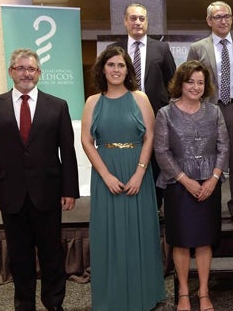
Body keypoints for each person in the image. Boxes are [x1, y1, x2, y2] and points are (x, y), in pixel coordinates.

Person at [0, 48, 79, 311]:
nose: (26, 73)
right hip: (9, 194)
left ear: (39, 73)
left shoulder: (57, 105)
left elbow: (67, 152)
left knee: (52, 254)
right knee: (19, 255)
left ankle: (54, 302)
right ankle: (24, 304)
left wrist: (70, 189)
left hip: (47, 192)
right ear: (11, 71)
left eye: (32, 69)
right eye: (21, 68)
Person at [81, 46, 165, 310]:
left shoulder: (140, 98)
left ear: (128, 69)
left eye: (121, 65)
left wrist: (140, 172)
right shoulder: (92, 102)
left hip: (137, 172)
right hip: (106, 174)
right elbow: (86, 140)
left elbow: (150, 136)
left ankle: (143, 296)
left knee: (139, 235)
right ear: (102, 69)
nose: (116, 70)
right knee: (109, 236)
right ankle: (111, 299)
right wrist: (105, 175)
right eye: (111, 65)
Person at [154, 60, 229, 311]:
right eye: (190, 81)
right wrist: (185, 180)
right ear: (180, 83)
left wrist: (213, 179)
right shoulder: (165, 113)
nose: (196, 87)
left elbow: (224, 147)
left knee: (205, 240)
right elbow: (162, 151)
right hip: (178, 185)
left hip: (210, 183)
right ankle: (184, 293)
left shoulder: (214, 111)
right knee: (182, 240)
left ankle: (204, 292)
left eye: (200, 82)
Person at [187, 1, 233, 227]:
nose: (223, 20)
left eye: (227, 16)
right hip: (208, 109)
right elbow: (191, 80)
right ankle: (208, 205)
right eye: (218, 17)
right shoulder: (198, 47)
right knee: (208, 157)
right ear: (209, 21)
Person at [108, 2, 177, 211]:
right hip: (123, 115)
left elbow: (172, 83)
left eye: (142, 18)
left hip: (156, 117)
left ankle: (155, 207)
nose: (137, 22)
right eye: (133, 18)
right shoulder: (114, 49)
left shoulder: (161, 48)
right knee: (130, 159)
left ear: (147, 22)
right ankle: (130, 204)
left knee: (156, 161)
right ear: (125, 22)